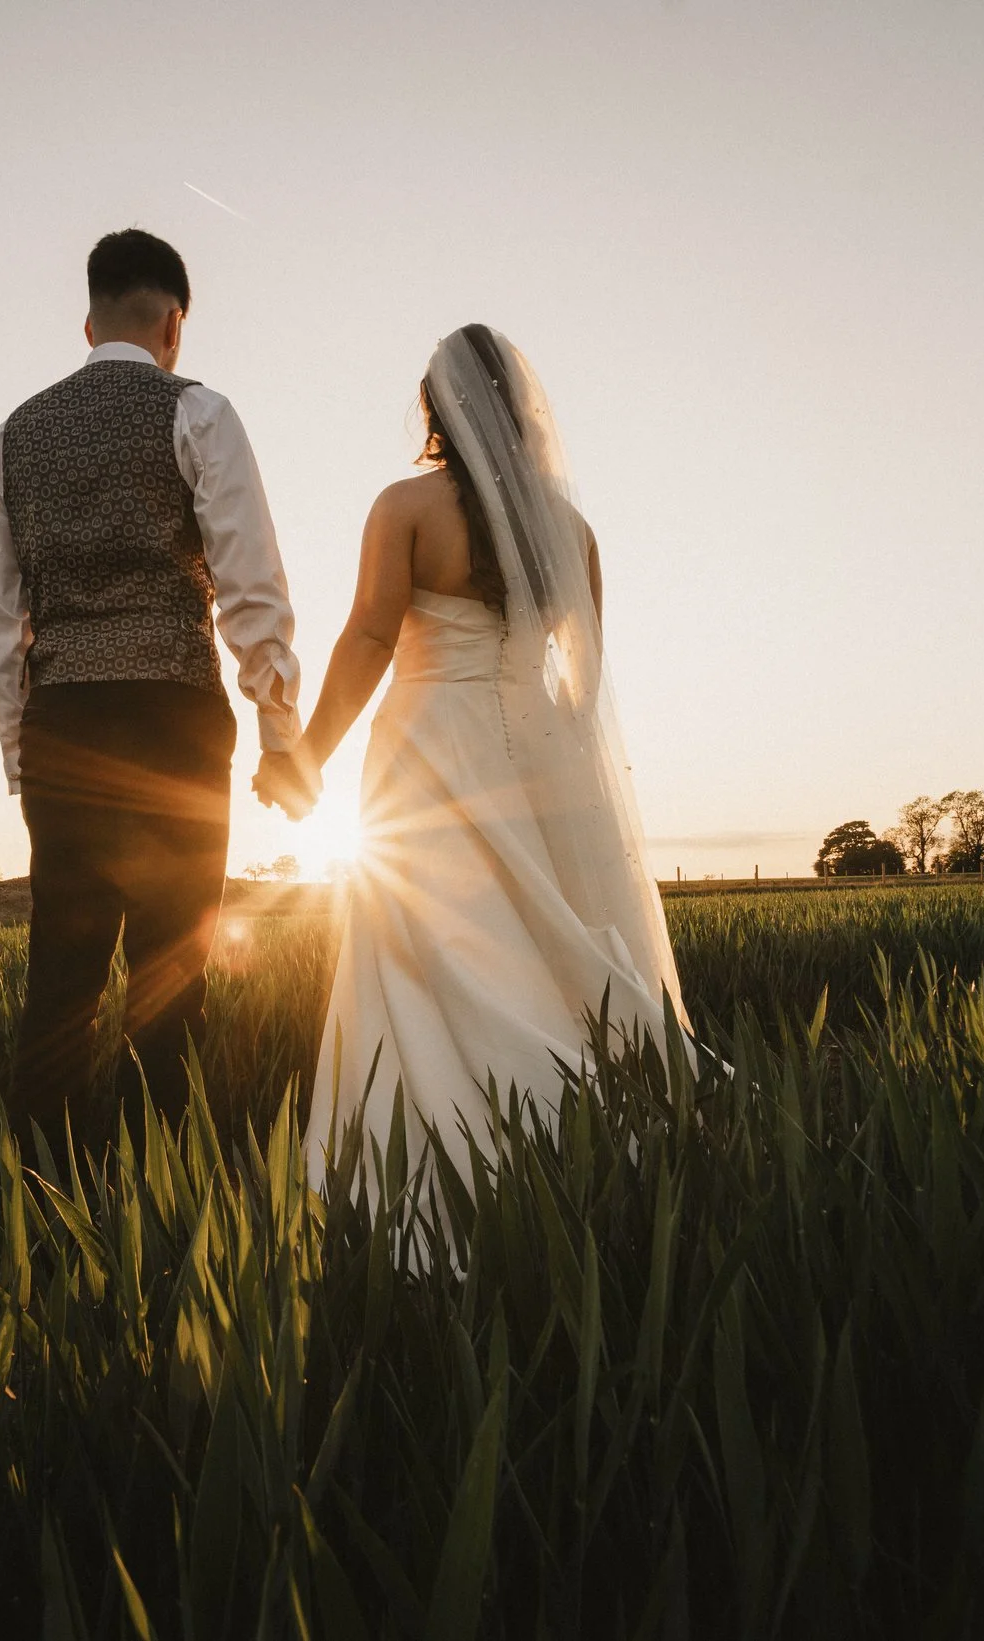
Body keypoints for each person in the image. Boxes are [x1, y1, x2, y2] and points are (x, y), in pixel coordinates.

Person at [277, 323, 692, 1185]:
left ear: (437, 410)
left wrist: (308, 753)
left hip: (427, 743)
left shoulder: (404, 509)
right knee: (543, 931)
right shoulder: (572, 532)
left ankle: (437, 1145)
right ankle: (586, 1112)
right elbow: (584, 686)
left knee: (422, 939)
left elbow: (367, 638)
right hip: (535, 749)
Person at [0, 230, 319, 1147]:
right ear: (174, 325)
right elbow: (252, 590)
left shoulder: (9, 440)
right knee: (172, 973)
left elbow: (1, 623)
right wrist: (284, 736)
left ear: (88, 322)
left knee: (61, 981)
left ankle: (46, 1205)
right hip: (174, 717)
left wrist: (24, 755)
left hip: (66, 724)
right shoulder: (199, 412)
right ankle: (161, 1198)